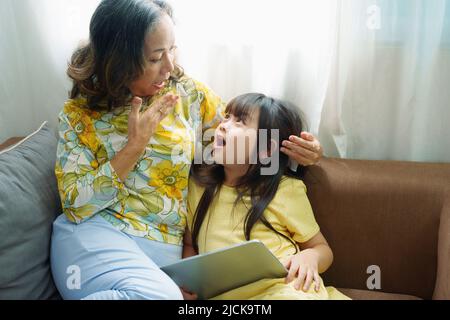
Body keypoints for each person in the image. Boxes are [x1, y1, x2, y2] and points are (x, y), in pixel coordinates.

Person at [50, 0, 324, 300]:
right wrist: (134, 147)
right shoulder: (79, 116)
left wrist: (302, 152)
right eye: (156, 57)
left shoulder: (187, 94)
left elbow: (248, 141)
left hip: (162, 251)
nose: (169, 66)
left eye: (171, 50)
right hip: (99, 236)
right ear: (121, 61)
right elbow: (76, 206)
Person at [185, 93, 349, 300]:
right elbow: (190, 244)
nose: (223, 125)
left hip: (284, 291)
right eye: (226, 117)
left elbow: (322, 248)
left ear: (266, 149)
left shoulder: (284, 190)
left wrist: (310, 257)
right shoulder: (199, 186)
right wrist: (188, 284)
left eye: (240, 121)